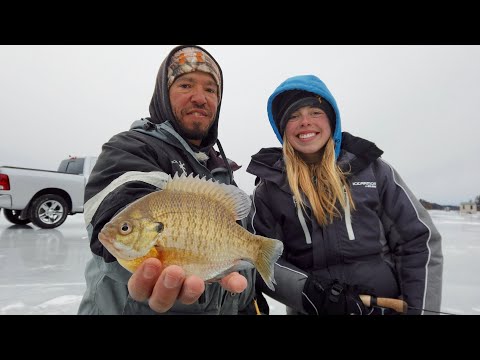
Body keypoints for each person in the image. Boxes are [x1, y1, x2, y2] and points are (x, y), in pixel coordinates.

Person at [78, 45, 255, 315]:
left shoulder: (221, 170)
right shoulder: (130, 147)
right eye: (185, 85)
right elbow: (122, 196)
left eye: (210, 89)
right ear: (162, 93)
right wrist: (127, 226)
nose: (200, 97)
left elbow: (234, 254)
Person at [247, 74, 443, 315]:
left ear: (332, 120)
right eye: (294, 116)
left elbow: (419, 241)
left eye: (315, 113)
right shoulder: (269, 190)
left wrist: (420, 310)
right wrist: (311, 293)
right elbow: (258, 257)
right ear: (282, 128)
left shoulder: (374, 171)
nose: (305, 122)